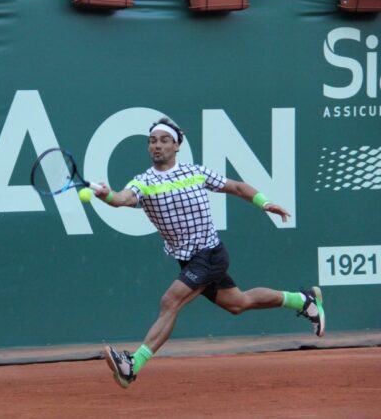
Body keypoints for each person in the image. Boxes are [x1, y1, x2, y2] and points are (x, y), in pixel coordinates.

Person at [95, 117, 325, 389]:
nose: (157, 146)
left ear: (177, 145)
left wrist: (266, 203)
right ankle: (304, 301)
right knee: (238, 303)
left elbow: (237, 187)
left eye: (164, 140)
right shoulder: (143, 182)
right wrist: (107, 195)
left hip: (210, 253)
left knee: (170, 301)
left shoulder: (196, 172)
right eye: (152, 141)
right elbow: (123, 198)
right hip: (189, 260)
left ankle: (133, 365)